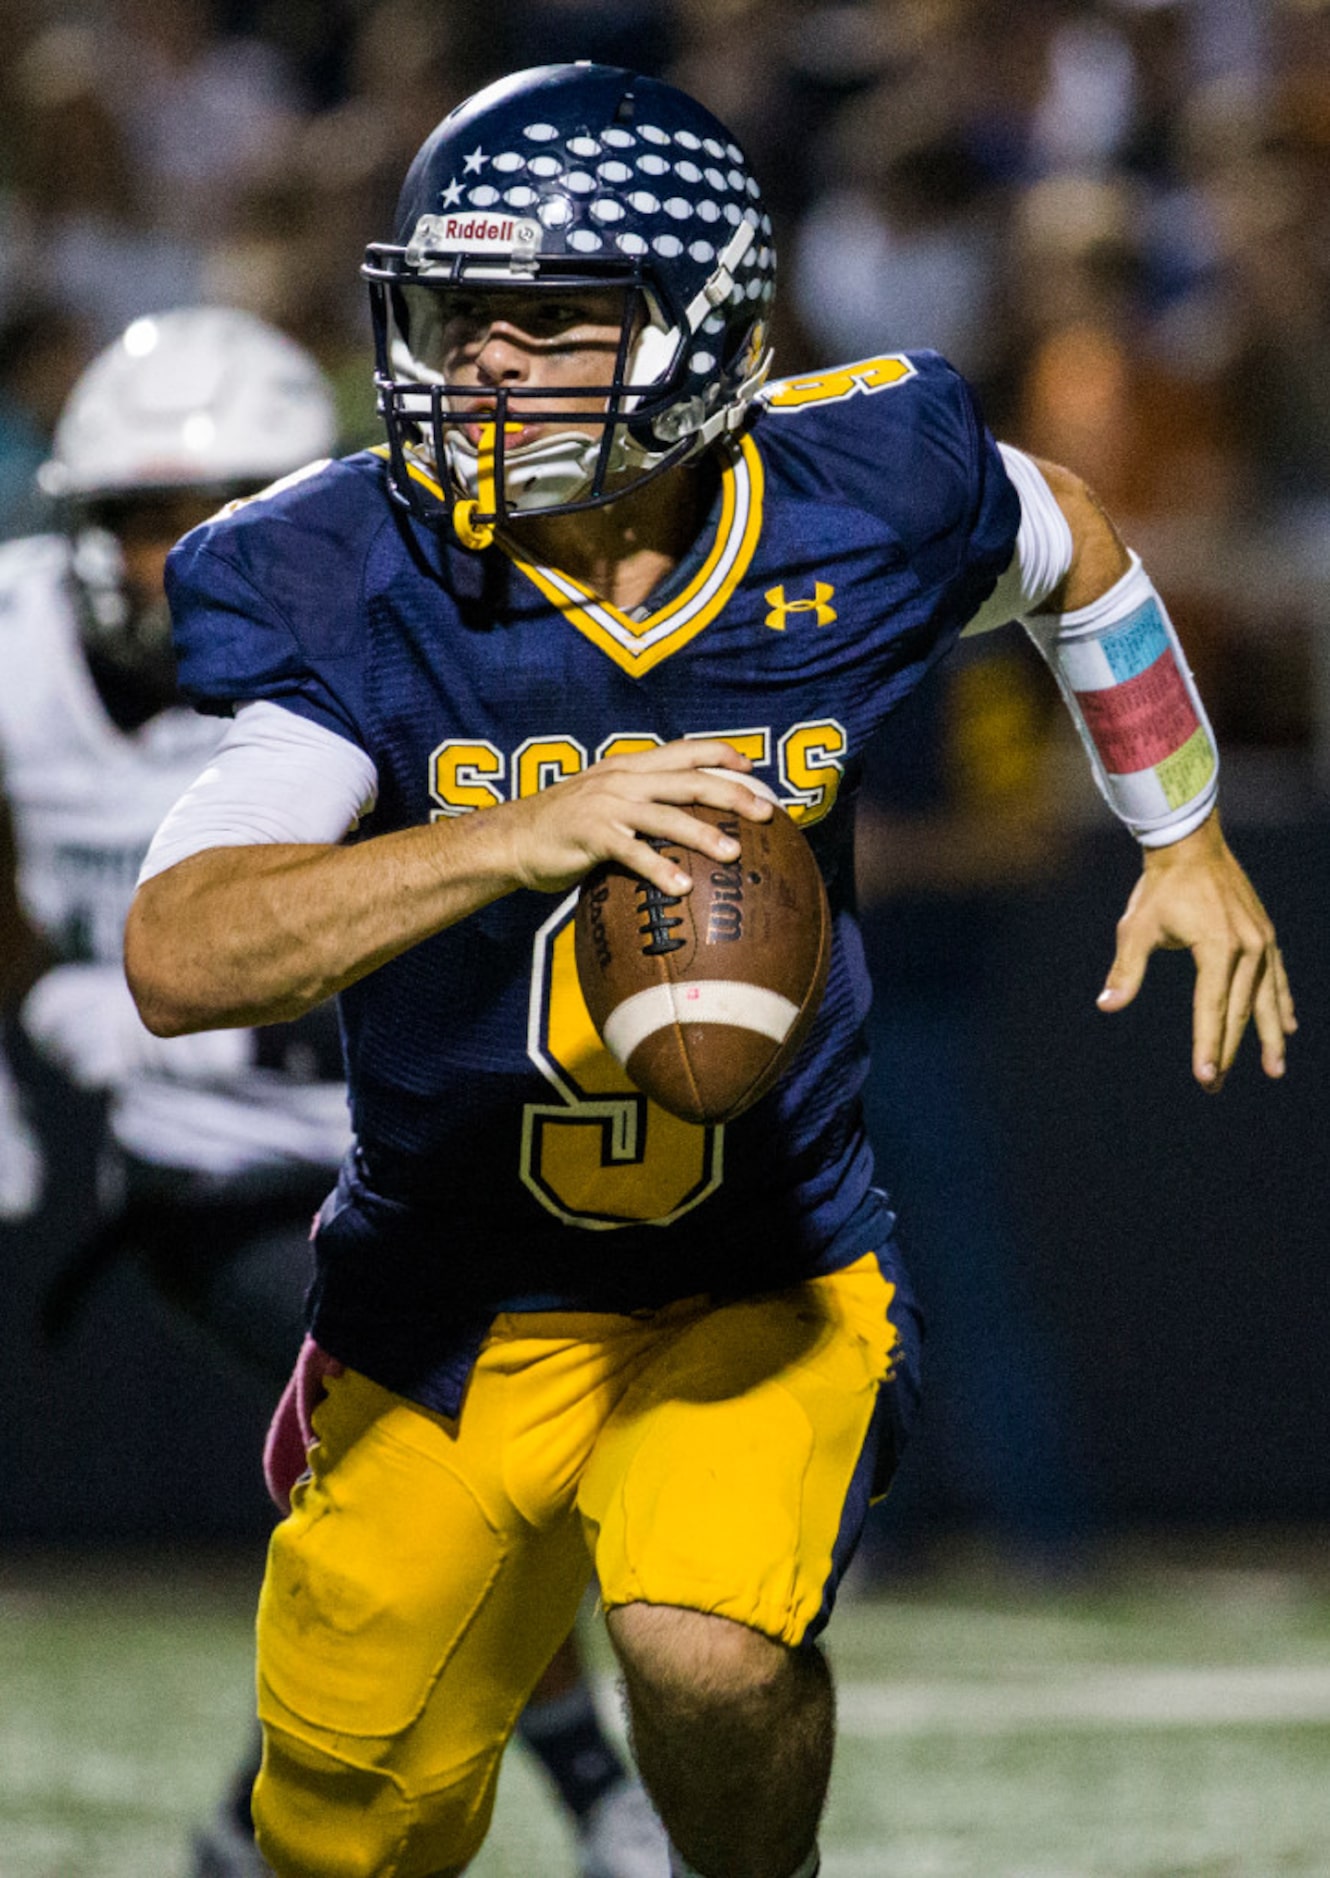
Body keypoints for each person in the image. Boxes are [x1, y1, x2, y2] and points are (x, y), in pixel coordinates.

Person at [122, 63, 1293, 1878]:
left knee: (708, 1652)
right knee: (351, 1826)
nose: (479, 366)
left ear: (696, 332)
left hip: (762, 1265)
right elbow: (180, 950)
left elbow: (1067, 533)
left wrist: (1185, 831)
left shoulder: (854, 496)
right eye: (455, 317)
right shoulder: (356, 571)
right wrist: (516, 830)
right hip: (447, 1299)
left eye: (543, 324)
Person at [0, 302, 661, 1878]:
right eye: (140, 517)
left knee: (473, 1492)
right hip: (216, 1179)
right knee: (461, 1445)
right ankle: (585, 1799)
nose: (174, 556)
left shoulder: (412, 629)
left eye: (211, 516)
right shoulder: (22, 638)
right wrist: (46, 1000)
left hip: (430, 1148)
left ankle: (281, 1820)